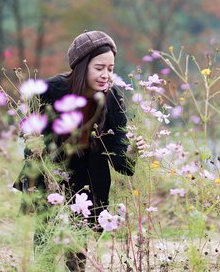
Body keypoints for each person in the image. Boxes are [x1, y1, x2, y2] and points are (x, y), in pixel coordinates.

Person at [13, 30, 135, 271]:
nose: (106, 75)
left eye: (110, 69)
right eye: (99, 67)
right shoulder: (50, 90)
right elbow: (28, 127)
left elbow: (121, 162)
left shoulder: (112, 98)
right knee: (45, 247)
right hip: (51, 176)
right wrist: (33, 144)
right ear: (81, 66)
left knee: (77, 252)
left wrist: (133, 152)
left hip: (88, 181)